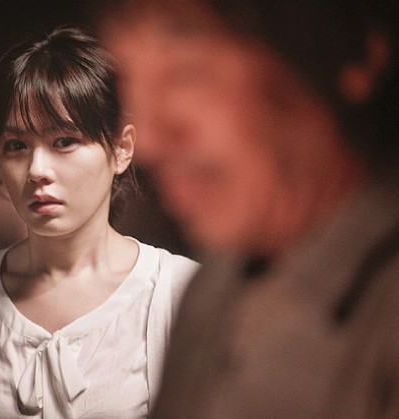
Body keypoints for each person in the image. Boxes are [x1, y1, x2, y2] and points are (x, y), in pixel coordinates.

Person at [101, 0, 399, 417]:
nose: (146, 140)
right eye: (127, 83)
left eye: (187, 74)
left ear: (350, 51)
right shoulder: (214, 286)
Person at [0, 25, 199, 419]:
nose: (37, 169)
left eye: (65, 141)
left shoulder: (182, 295)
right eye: (17, 145)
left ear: (122, 149)